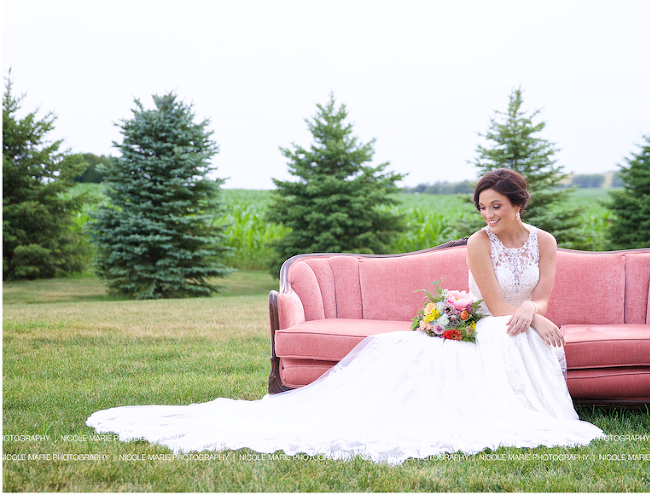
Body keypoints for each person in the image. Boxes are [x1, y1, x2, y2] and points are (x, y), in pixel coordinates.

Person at [87, 169, 604, 465]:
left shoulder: (545, 241)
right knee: (507, 334)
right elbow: (494, 306)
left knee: (531, 335)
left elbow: (542, 292)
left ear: (517, 204)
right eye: (482, 208)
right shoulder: (477, 243)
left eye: (496, 207)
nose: (488, 216)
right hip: (490, 318)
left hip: (522, 316)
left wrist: (537, 315)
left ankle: (531, 408)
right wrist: (532, 318)